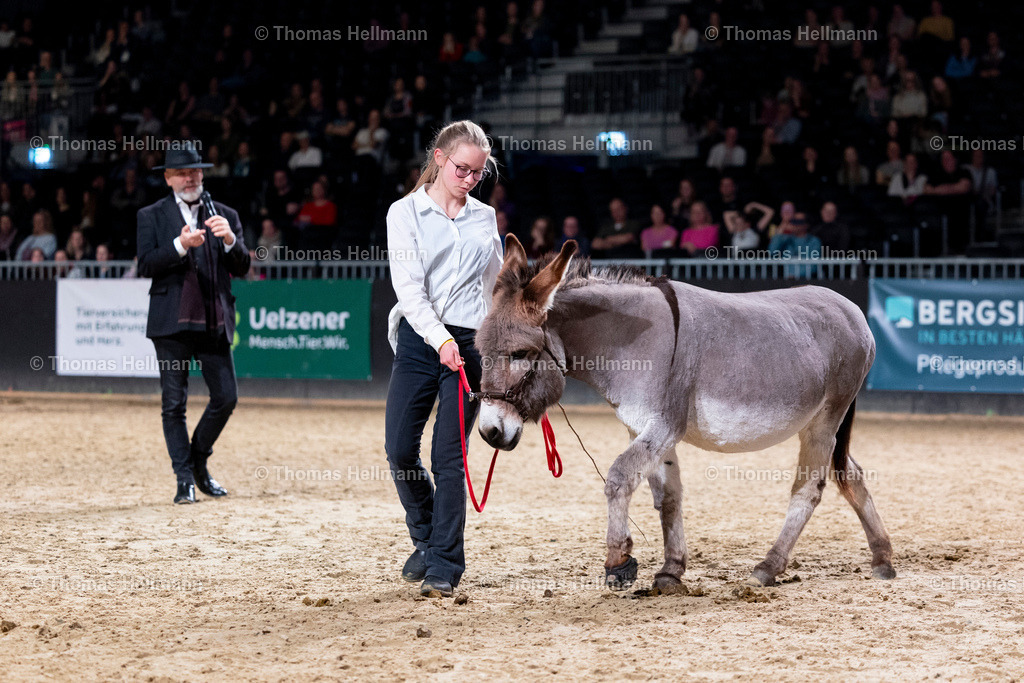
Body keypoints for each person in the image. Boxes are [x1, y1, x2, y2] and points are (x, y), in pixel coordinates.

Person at [384, 120, 503, 599]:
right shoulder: (404, 213)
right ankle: (427, 538)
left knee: (449, 458)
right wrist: (438, 339)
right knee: (399, 449)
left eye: (477, 172)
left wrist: (503, 336)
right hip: (420, 340)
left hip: (470, 343)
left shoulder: (484, 218)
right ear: (438, 158)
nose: (470, 178)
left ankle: (445, 564)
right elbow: (409, 289)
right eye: (462, 168)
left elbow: (495, 284)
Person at [136, 143, 250, 505]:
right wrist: (180, 245)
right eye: (183, 173)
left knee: (226, 397)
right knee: (174, 404)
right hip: (171, 324)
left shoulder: (224, 213)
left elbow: (244, 266)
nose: (191, 178)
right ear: (168, 179)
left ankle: (198, 461)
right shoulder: (151, 215)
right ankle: (184, 479)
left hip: (213, 320)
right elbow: (146, 265)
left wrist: (230, 239)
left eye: (196, 171)